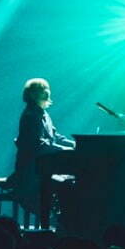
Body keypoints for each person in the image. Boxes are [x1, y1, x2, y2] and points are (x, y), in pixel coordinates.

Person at [11, 77, 76, 219]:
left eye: (47, 89)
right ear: (32, 94)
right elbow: (38, 144)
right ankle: (58, 219)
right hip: (30, 169)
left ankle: (62, 217)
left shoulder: (43, 113)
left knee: (69, 181)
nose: (46, 92)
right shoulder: (30, 115)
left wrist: (74, 144)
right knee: (64, 184)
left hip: (42, 164)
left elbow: (56, 136)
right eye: (42, 91)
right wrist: (64, 150)